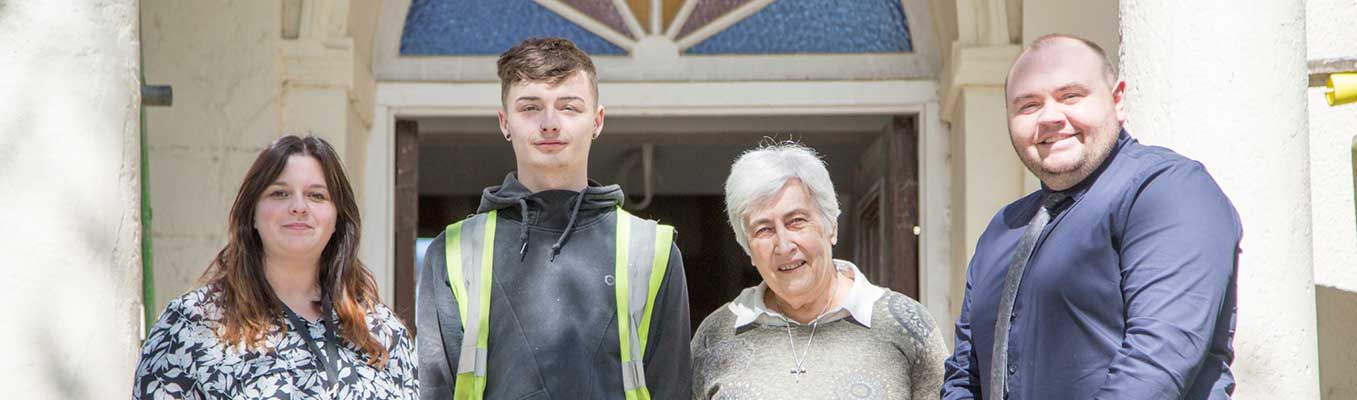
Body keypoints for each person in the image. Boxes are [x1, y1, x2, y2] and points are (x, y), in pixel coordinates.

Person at [941, 33, 1240, 400]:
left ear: (1117, 100)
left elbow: (1158, 361)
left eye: (1070, 96)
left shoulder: (1167, 191)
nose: (1050, 117)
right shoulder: (1003, 230)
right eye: (1028, 105)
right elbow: (963, 376)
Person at [416, 37, 691, 400]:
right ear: (505, 122)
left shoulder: (652, 252)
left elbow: (672, 390)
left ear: (597, 121)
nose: (549, 123)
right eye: (530, 107)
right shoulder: (452, 252)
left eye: (569, 107)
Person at [132, 135, 418, 399]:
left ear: (337, 221)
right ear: (252, 215)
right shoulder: (190, 325)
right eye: (280, 193)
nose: (298, 206)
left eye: (316, 195)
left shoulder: (383, 333)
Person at [691, 142, 948, 399]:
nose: (783, 245)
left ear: (831, 227)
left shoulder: (905, 326)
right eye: (764, 229)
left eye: (796, 222)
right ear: (748, 249)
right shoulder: (716, 334)